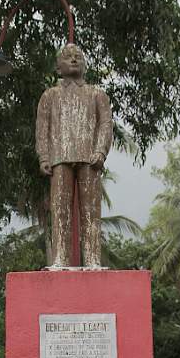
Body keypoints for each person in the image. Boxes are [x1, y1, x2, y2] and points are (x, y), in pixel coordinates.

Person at [35, 43, 112, 268]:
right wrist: (43, 157)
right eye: (68, 57)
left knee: (91, 211)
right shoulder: (50, 96)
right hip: (60, 157)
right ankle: (60, 258)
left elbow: (105, 125)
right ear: (58, 68)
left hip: (90, 158)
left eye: (78, 56)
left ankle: (92, 258)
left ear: (85, 65)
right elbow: (42, 128)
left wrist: (100, 151)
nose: (74, 59)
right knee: (60, 210)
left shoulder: (97, 94)